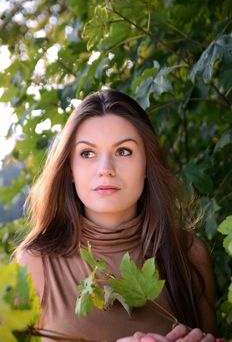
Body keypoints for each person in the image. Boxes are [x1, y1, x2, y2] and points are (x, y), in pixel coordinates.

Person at [15, 89, 217, 342]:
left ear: (147, 165)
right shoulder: (35, 264)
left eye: (124, 151)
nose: (105, 170)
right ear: (69, 170)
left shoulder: (188, 254)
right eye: (87, 153)